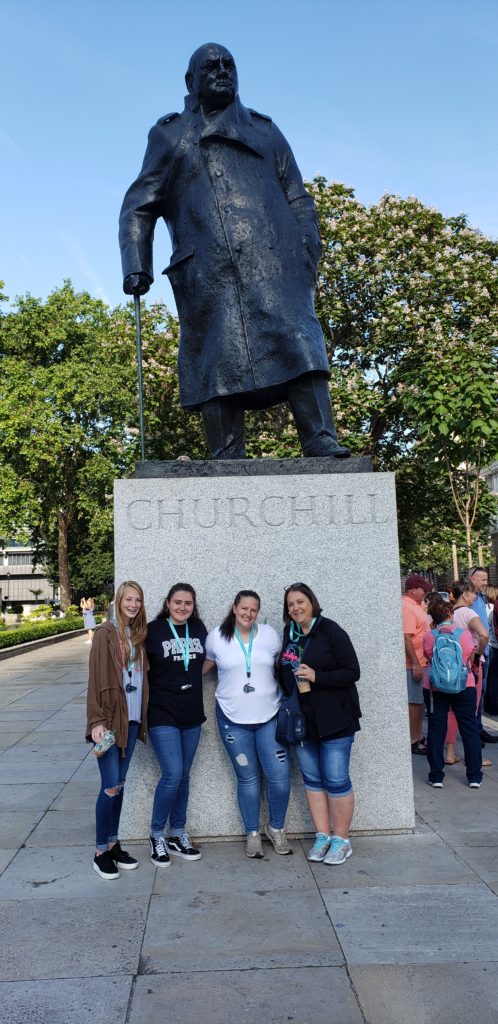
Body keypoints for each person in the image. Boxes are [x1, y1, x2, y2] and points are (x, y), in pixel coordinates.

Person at [119, 43, 350, 461]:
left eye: (229, 64)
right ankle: (226, 452)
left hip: (277, 263)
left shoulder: (266, 130)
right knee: (217, 355)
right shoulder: (170, 135)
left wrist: (306, 250)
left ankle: (319, 437)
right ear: (191, 81)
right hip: (210, 272)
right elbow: (139, 204)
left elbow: (297, 197)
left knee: (300, 341)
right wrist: (137, 265)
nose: (222, 71)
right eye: (210, 66)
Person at [205, 590, 293, 858]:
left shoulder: (270, 635)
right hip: (233, 720)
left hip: (269, 717)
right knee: (248, 779)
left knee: (279, 778)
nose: (248, 614)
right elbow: (204, 667)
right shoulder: (216, 637)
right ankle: (252, 833)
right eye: (244, 608)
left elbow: (284, 664)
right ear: (234, 608)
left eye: (254, 610)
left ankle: (275, 828)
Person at [279, 583, 361, 866]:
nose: (296, 608)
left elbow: (353, 671)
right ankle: (323, 835)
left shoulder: (330, 630)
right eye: (290, 604)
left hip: (335, 720)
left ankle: (342, 840)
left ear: (311, 602)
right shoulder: (290, 636)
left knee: (337, 781)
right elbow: (283, 672)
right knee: (313, 781)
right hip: (303, 723)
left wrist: (317, 676)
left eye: (300, 602)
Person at [86, 581, 148, 879]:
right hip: (109, 722)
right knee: (109, 785)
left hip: (132, 720)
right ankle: (100, 851)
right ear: (118, 600)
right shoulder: (105, 633)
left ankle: (112, 843)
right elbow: (96, 680)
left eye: (138, 600)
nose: (133, 604)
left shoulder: (137, 636)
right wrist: (96, 721)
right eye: (128, 599)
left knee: (119, 784)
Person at [146, 584, 208, 867]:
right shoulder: (153, 630)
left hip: (192, 713)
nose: (183, 607)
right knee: (172, 773)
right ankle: (157, 834)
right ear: (167, 603)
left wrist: (194, 675)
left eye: (188, 603)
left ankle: (178, 833)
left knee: (184, 775)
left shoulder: (199, 630)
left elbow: (207, 660)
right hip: (162, 712)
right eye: (178, 602)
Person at [423, 599, 482, 788]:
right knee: (469, 729)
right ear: (450, 614)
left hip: (435, 688)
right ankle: (474, 777)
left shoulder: (429, 636)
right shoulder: (464, 635)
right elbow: (468, 655)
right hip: (464, 686)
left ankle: (436, 776)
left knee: (436, 729)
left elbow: (428, 657)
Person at [402, 575, 432, 754]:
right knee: (414, 702)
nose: (425, 592)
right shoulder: (406, 606)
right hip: (414, 663)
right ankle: (414, 739)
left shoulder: (415, 605)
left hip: (421, 661)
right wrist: (415, 663)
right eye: (423, 589)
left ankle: (418, 735)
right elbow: (406, 637)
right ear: (413, 590)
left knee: (419, 702)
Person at [484, 586, 498, 715]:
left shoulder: (490, 607)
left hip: (492, 644)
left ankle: (490, 706)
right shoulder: (491, 608)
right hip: (494, 644)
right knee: (493, 679)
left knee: (492, 679)